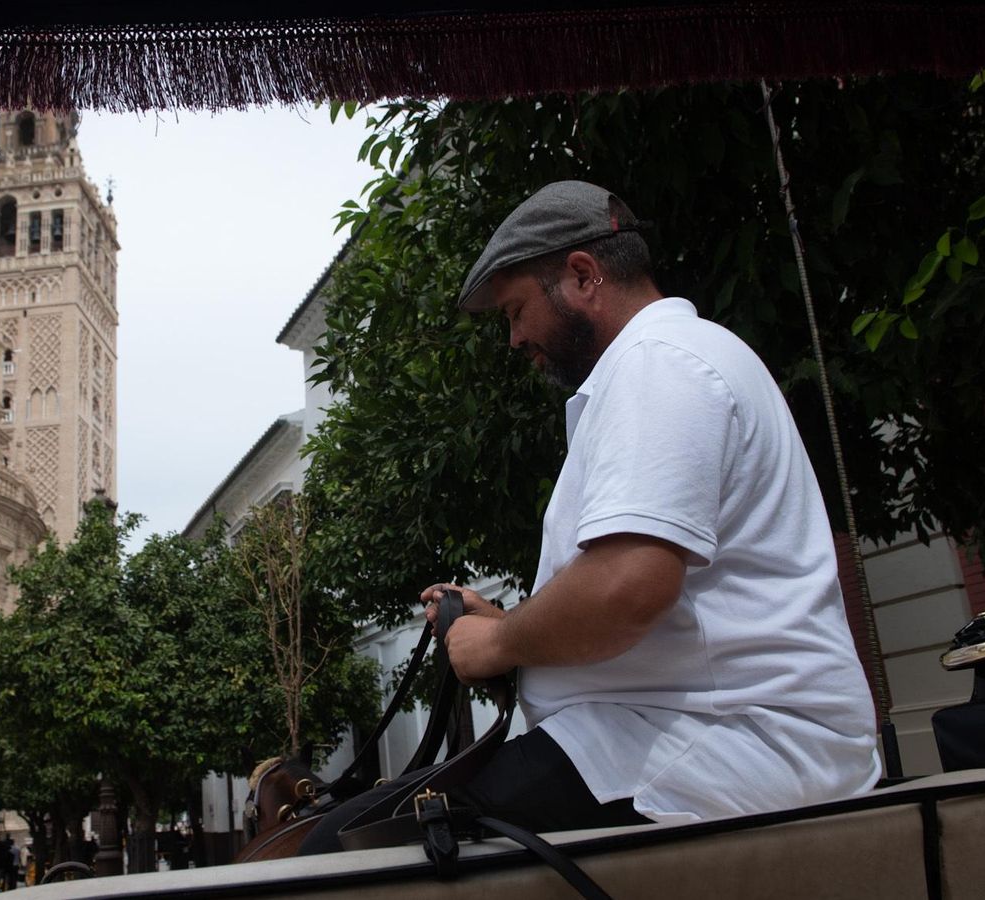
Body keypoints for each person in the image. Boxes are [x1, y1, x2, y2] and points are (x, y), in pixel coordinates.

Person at [298, 180, 880, 854]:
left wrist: (495, 644)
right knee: (357, 830)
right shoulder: (665, 365)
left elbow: (625, 589)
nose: (514, 339)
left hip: (721, 747)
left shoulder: (659, 365)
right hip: (679, 737)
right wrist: (510, 625)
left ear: (581, 275)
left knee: (347, 848)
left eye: (516, 311)